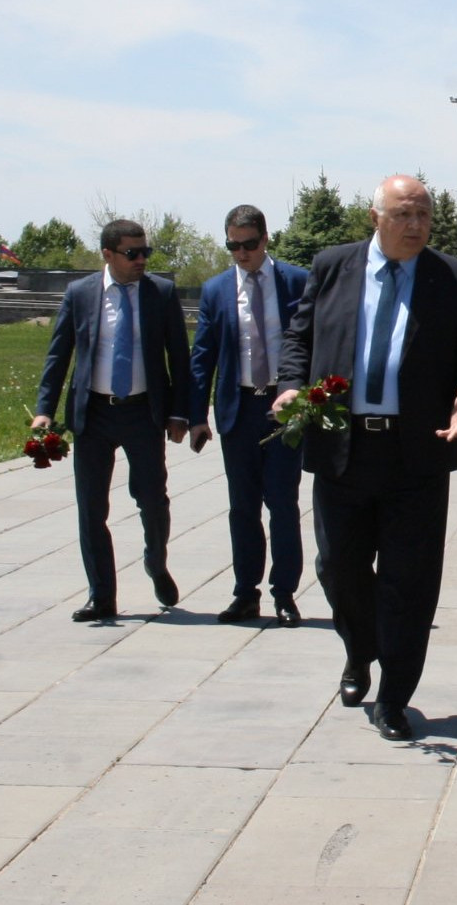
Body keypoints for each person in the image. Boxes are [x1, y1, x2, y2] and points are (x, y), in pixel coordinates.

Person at [273, 175, 457, 741]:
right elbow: (299, 337)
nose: (415, 225)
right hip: (343, 445)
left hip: (416, 452)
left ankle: (394, 696)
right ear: (376, 217)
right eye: (403, 214)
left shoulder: (450, 277)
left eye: (424, 214)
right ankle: (360, 649)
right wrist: (292, 384)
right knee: (336, 567)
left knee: (409, 581)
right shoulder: (333, 266)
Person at [33, 219, 193, 623]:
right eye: (132, 253)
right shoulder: (80, 294)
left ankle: (156, 562)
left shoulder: (161, 293)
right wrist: (44, 410)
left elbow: (179, 357)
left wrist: (180, 413)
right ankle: (101, 595)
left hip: (143, 412)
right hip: (95, 413)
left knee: (152, 499)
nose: (141, 260)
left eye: (145, 253)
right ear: (108, 254)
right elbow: (59, 356)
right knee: (91, 508)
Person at [187, 205, 312, 626]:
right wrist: (195, 414)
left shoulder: (295, 280)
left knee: (282, 502)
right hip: (238, 408)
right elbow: (202, 356)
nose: (241, 253)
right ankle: (245, 593)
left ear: (265, 239)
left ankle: (285, 593)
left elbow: (313, 341)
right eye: (233, 245)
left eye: (249, 244)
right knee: (242, 507)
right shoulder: (217, 290)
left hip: (284, 408)